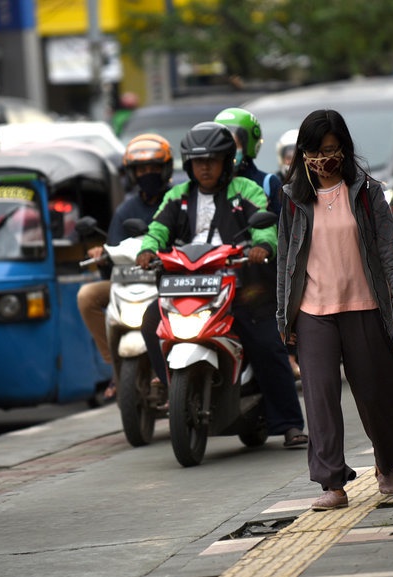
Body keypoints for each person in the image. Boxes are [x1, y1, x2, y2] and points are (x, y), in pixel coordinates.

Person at [276, 109, 393, 510]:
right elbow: (285, 262)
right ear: (302, 154)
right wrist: (283, 318)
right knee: (321, 399)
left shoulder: (366, 191)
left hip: (365, 305)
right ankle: (332, 482)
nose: (324, 158)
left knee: (375, 392)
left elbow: (390, 248)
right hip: (312, 313)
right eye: (315, 150)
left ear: (343, 149)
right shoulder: (291, 200)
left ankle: (386, 463)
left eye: (331, 149)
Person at [135, 121, 307, 448]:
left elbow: (265, 229)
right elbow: (156, 229)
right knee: (150, 322)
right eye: (199, 162)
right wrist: (147, 250)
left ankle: (288, 423)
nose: (205, 167)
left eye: (212, 160)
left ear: (227, 161)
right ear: (188, 165)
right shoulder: (176, 196)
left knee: (265, 341)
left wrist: (263, 247)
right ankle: (177, 393)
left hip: (240, 285)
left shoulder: (247, 190)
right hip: (185, 285)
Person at [77, 133, 174, 399]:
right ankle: (114, 367)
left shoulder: (177, 199)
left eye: (153, 167)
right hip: (128, 282)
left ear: (165, 168)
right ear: (132, 173)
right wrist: (102, 253)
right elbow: (114, 252)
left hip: (166, 283)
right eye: (142, 169)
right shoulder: (125, 209)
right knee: (87, 296)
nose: (148, 174)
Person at [214, 107, 300, 376]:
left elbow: (280, 226)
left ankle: (290, 357)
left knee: (269, 322)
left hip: (259, 271)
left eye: (233, 142)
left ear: (248, 144)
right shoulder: (206, 186)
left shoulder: (265, 182)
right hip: (218, 272)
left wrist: (263, 246)